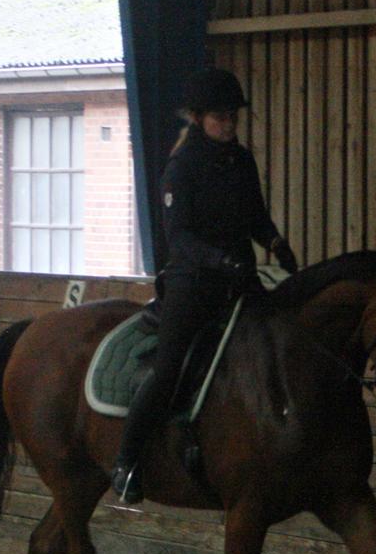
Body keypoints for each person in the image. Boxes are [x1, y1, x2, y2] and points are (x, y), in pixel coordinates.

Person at [111, 67, 299, 504]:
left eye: (233, 117)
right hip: (193, 284)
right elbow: (179, 238)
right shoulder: (181, 167)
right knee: (168, 369)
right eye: (220, 117)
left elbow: (255, 215)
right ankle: (127, 460)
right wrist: (221, 260)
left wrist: (276, 242)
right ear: (198, 118)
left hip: (239, 279)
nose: (229, 124)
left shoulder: (241, 161)